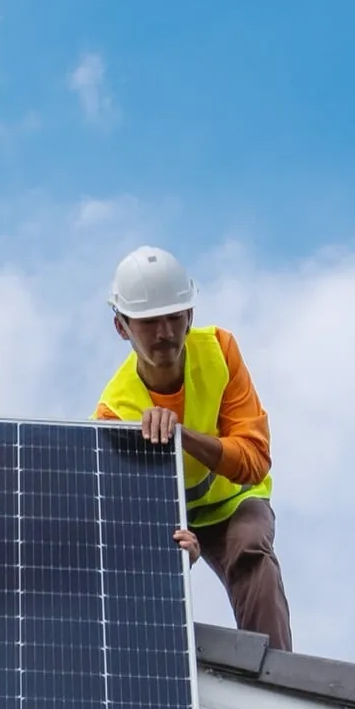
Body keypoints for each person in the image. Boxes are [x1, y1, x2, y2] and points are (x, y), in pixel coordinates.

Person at [92, 246, 292, 652]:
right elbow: (128, 517)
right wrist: (173, 544)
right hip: (172, 518)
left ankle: (277, 678)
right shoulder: (115, 413)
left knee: (249, 547)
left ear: (191, 317)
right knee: (147, 568)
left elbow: (254, 460)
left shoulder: (219, 351)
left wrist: (182, 436)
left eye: (173, 317)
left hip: (236, 500)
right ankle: (151, 673)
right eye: (149, 322)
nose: (164, 332)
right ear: (122, 327)